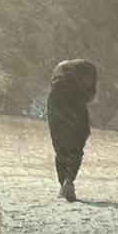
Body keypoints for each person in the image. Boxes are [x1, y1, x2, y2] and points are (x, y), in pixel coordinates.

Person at [46, 58, 98, 202]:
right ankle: (68, 179)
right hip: (75, 106)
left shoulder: (60, 73)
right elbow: (90, 94)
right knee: (76, 145)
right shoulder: (87, 71)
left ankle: (65, 181)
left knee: (61, 146)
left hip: (56, 106)